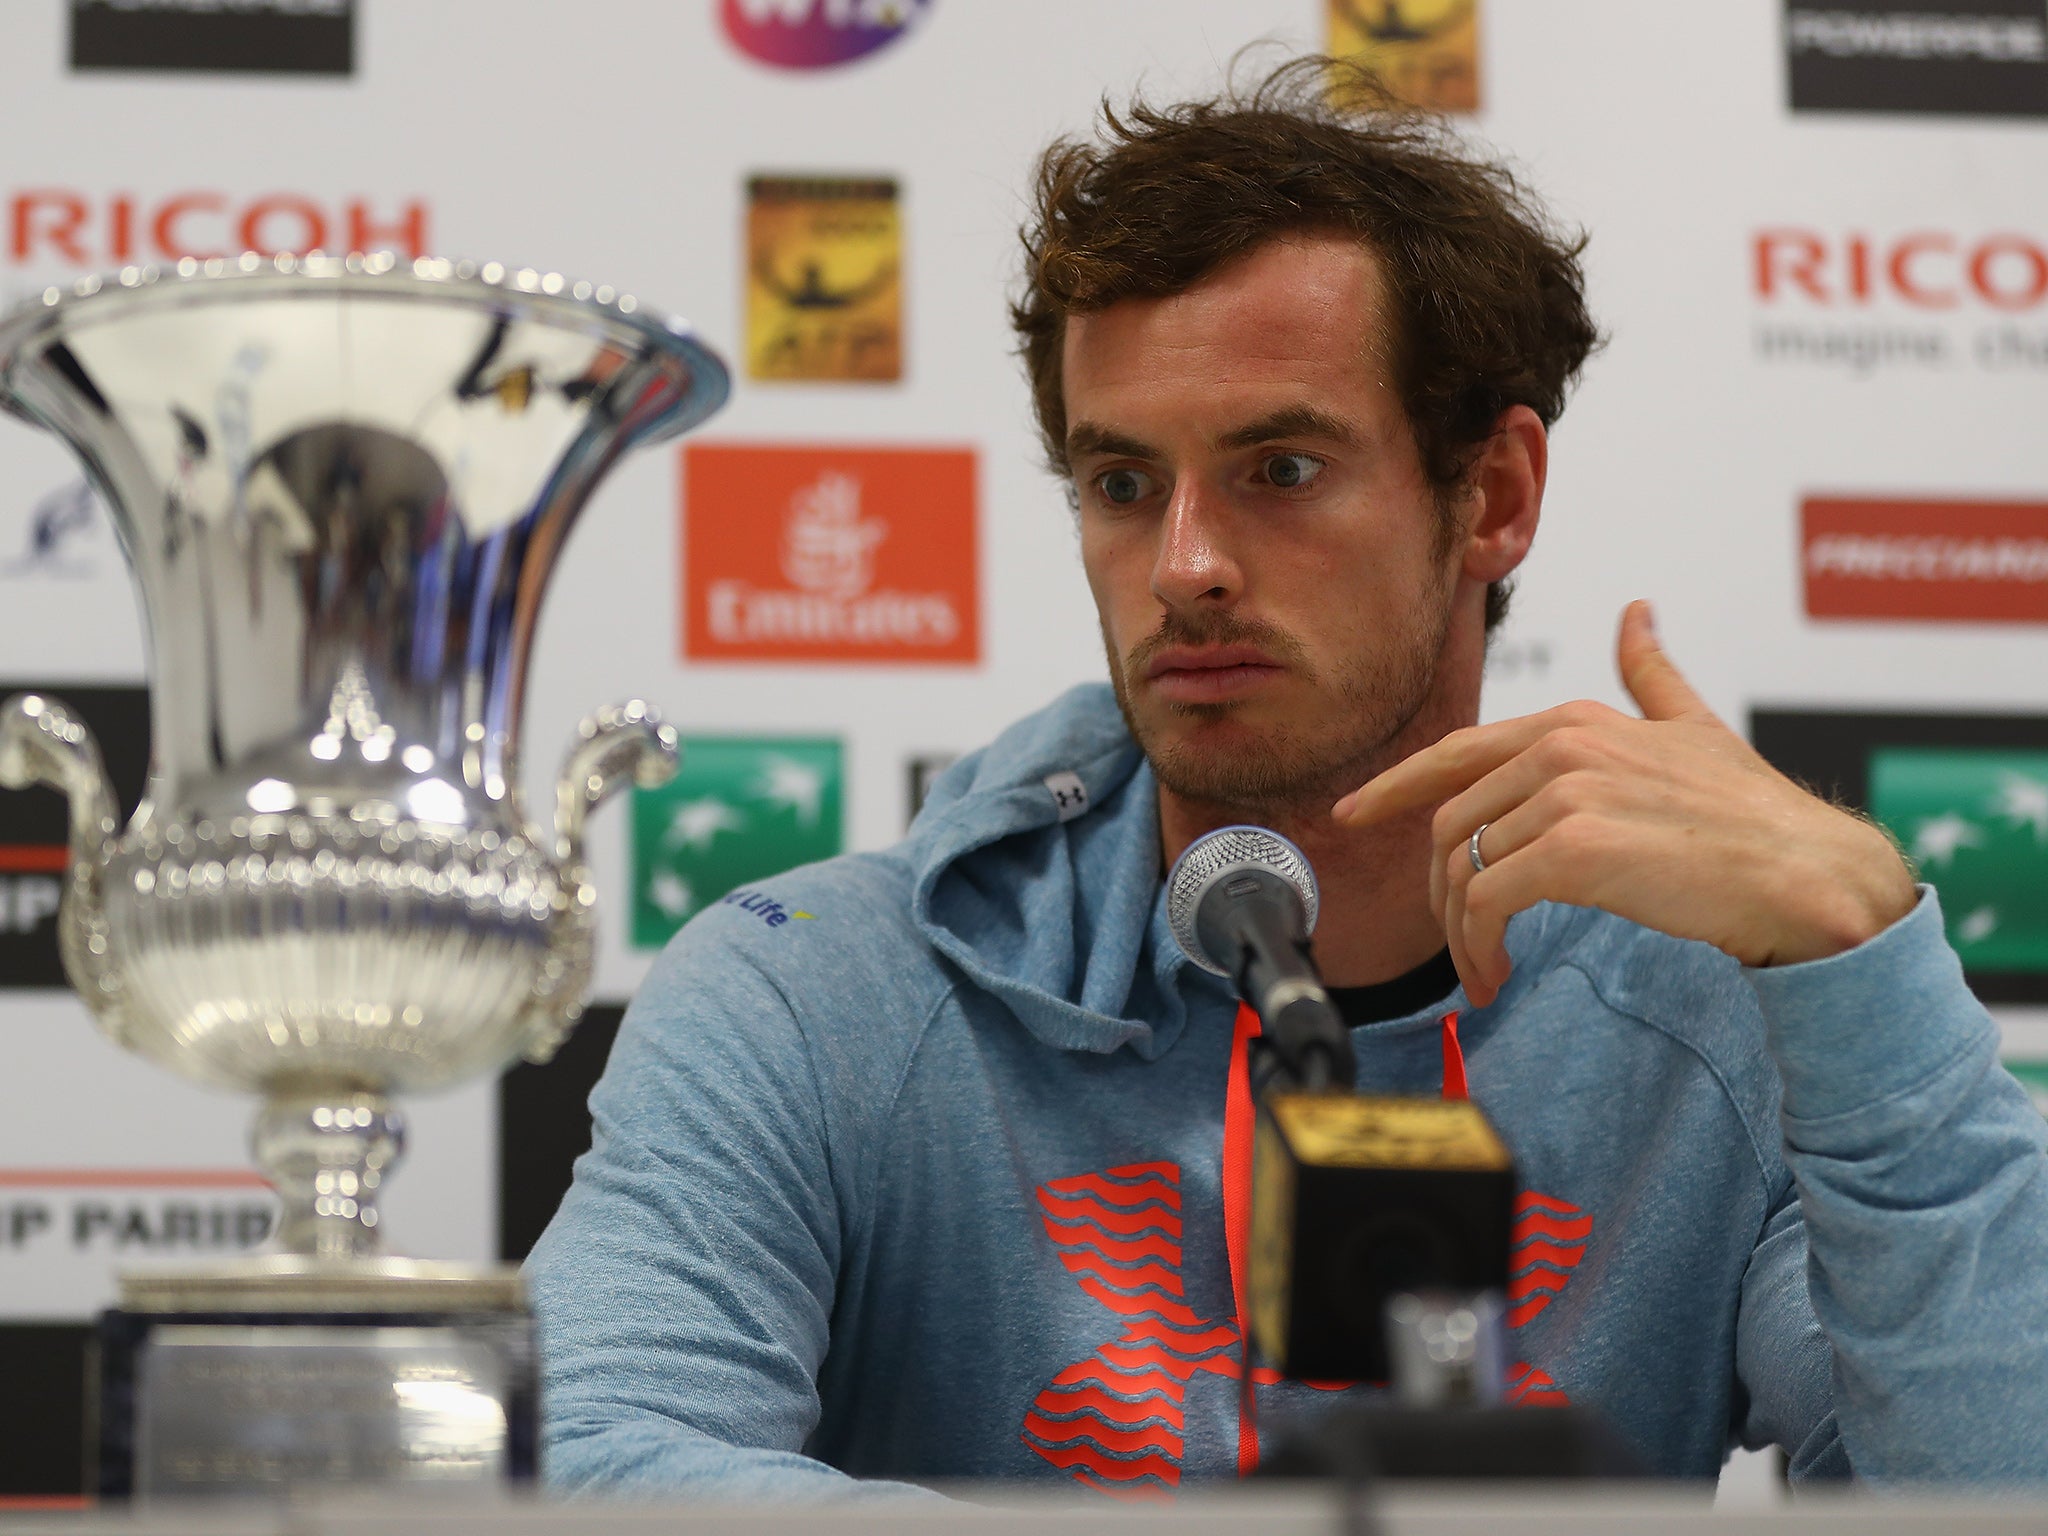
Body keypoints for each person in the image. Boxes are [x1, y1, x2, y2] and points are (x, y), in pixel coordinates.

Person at [527, 59, 2048, 1498]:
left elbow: (1995, 1494)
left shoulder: (1718, 1027)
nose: (1181, 567)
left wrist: (1864, 960)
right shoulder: (816, 995)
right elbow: (588, 1447)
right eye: (1123, 485)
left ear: (1495, 495)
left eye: (1282, 469)